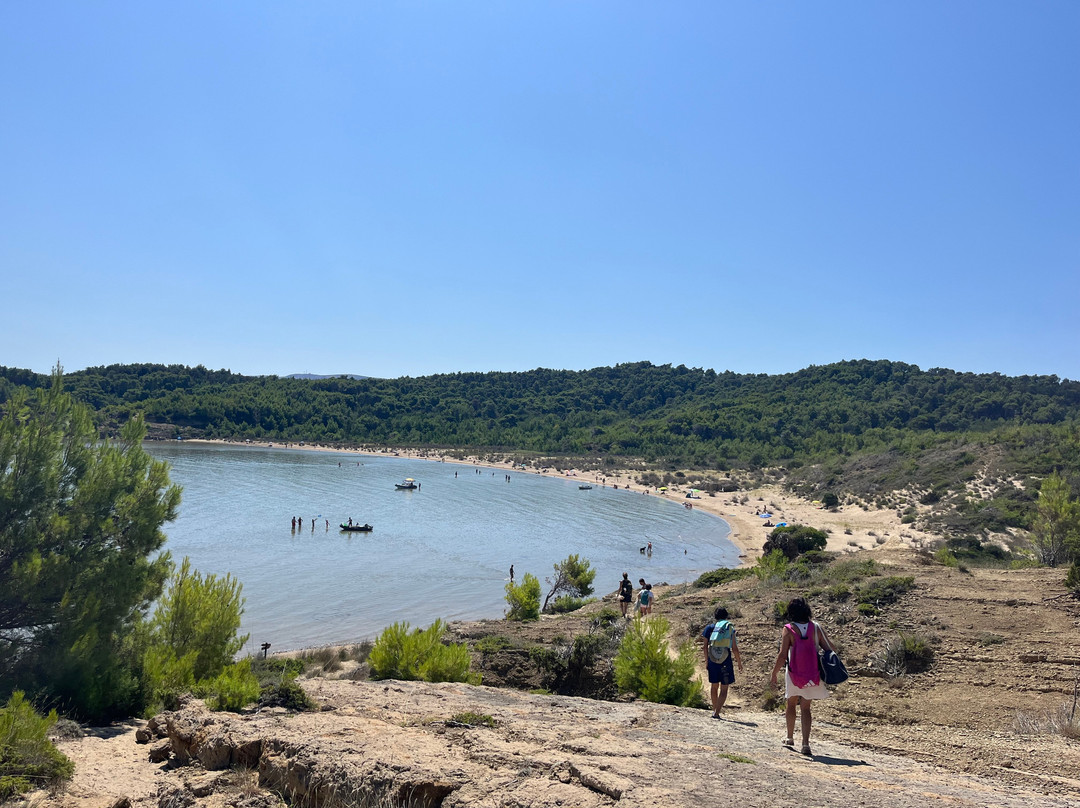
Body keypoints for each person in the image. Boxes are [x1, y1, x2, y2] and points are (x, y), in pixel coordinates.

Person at [769, 597, 835, 757]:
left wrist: (774, 673)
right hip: (813, 673)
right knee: (806, 707)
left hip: (793, 672)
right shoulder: (816, 627)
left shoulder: (789, 628)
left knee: (791, 703)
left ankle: (790, 737)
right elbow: (830, 648)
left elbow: (783, 655)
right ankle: (805, 744)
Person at [702, 606, 744, 718]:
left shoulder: (709, 628)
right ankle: (717, 712)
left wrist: (707, 661)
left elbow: (705, 647)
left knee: (714, 685)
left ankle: (714, 709)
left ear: (715, 616)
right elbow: (734, 648)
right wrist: (739, 662)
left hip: (712, 659)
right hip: (726, 660)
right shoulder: (729, 628)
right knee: (724, 688)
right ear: (726, 616)